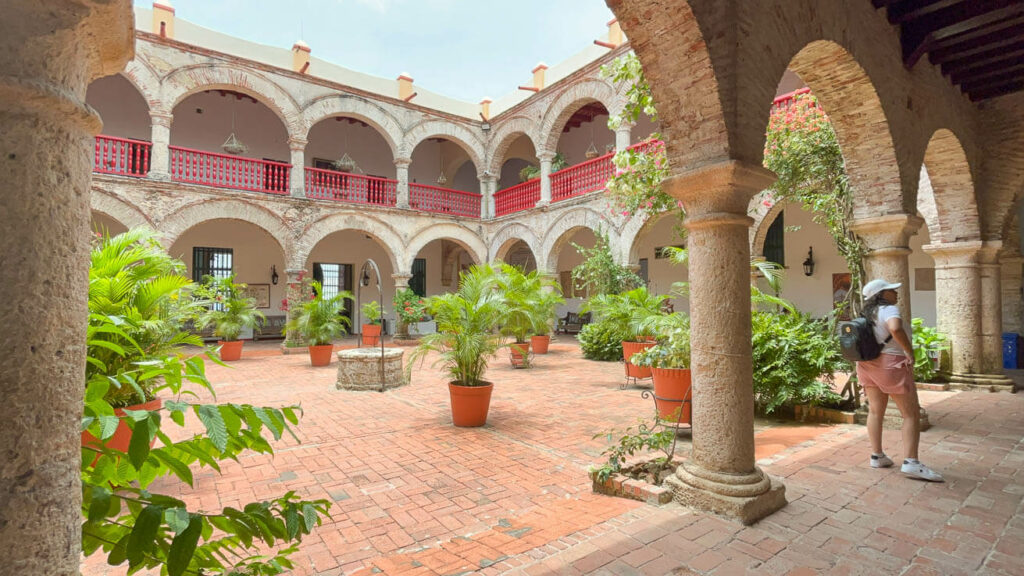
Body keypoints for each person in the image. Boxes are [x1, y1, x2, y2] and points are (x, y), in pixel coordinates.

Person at [857, 278, 943, 482]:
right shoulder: (888, 310)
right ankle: (911, 462)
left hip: (867, 365)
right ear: (881, 295)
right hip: (891, 364)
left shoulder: (866, 313)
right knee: (911, 414)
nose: (895, 293)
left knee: (875, 411)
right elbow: (895, 328)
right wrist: (908, 349)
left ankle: (877, 456)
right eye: (890, 290)